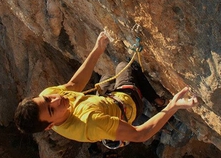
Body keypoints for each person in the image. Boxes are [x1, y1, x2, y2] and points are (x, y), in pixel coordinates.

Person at [14, 32, 198, 144]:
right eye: (51, 109)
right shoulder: (89, 122)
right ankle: (159, 102)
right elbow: (140, 134)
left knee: (106, 78)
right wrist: (172, 107)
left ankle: (156, 106)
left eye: (47, 99)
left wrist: (98, 50)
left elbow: (73, 86)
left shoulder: (48, 96)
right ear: (50, 127)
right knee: (126, 67)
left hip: (106, 103)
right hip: (127, 105)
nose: (55, 99)